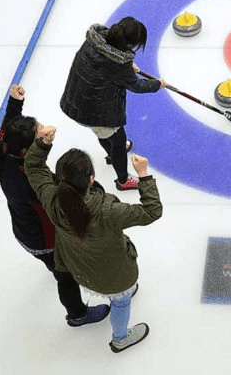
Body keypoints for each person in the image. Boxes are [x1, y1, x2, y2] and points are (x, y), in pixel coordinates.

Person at [24, 126, 163, 353]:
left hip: (80, 269)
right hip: (115, 277)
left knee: (118, 295)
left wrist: (42, 145)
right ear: (92, 178)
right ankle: (120, 338)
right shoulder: (108, 211)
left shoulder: (51, 199)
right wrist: (144, 175)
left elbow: (33, 167)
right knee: (121, 302)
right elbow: (152, 211)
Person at [0, 84, 109, 327]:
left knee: (55, 266)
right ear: (27, 151)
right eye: (40, 135)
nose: (46, 131)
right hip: (44, 240)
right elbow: (59, 205)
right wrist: (87, 190)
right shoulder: (30, 182)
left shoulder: (6, 149)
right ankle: (77, 314)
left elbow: (9, 128)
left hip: (24, 230)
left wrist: (15, 102)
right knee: (65, 275)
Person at [60, 16, 162, 191]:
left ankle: (112, 152)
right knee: (117, 140)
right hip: (96, 112)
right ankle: (123, 180)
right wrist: (158, 84)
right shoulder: (118, 64)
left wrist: (127, 64)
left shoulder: (94, 42)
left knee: (108, 136)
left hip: (77, 101)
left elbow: (103, 66)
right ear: (130, 44)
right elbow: (137, 85)